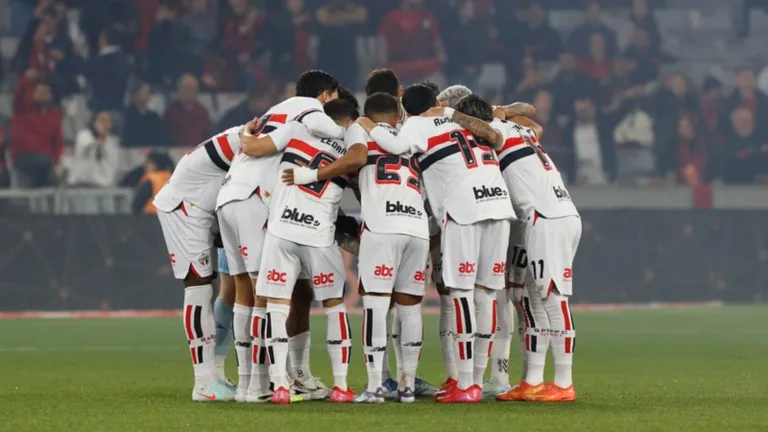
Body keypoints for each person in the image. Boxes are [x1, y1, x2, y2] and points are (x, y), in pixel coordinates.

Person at [355, 84, 516, 403]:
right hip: (498, 203)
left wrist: (368, 123)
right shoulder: (460, 120)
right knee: (487, 293)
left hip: (463, 209)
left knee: (461, 294)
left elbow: (395, 145)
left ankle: (466, 382)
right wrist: (451, 112)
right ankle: (479, 381)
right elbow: (496, 137)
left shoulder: (417, 123)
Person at [286, 93, 429, 404]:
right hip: (417, 227)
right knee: (410, 307)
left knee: (376, 306)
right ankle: (407, 386)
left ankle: (376, 386)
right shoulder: (411, 139)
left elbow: (350, 167)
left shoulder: (360, 138)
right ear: (396, 115)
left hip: (382, 226)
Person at [217, 69, 345, 403]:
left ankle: (248, 384)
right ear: (327, 95)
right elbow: (339, 131)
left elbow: (251, 144)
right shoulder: (313, 112)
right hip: (258, 199)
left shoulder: (278, 109)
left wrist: (247, 136)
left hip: (229, 195)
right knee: (266, 293)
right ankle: (264, 385)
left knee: (245, 288)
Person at [464, 98, 580, 403]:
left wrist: (452, 114)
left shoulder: (497, 131)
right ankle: (533, 381)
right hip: (552, 213)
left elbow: (491, 127)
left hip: (547, 216)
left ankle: (564, 382)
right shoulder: (522, 130)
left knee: (553, 298)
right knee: (534, 299)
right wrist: (504, 111)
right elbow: (531, 115)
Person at [250, 99, 359, 404]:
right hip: (318, 235)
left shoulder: (296, 133)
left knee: (276, 305)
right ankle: (340, 386)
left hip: (281, 230)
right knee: (334, 306)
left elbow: (256, 149)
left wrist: (246, 136)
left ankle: (280, 385)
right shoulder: (351, 153)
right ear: (349, 121)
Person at [152, 89, 250, 403]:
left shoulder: (250, 140)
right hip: (184, 207)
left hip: (206, 209)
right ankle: (203, 383)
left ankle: (216, 376)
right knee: (198, 288)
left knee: (215, 287)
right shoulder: (242, 139)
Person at [9, 74, 63, 188]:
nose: (43, 95)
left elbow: (57, 141)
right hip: (24, 156)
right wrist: (26, 79)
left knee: (52, 166)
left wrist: (57, 161)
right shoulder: (22, 110)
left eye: (46, 92)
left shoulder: (54, 115)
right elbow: (17, 96)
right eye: (39, 92)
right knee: (46, 165)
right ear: (33, 94)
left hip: (45, 160)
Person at [68, 111, 119, 188]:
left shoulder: (112, 142)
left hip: (102, 185)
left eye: (109, 121)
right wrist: (100, 142)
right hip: (79, 184)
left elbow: (112, 166)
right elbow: (89, 144)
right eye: (102, 121)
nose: (106, 125)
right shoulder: (84, 135)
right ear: (94, 123)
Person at [164, 74, 212, 147]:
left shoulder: (202, 111)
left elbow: (207, 134)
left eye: (193, 89)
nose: (190, 92)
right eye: (186, 89)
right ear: (179, 91)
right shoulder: (171, 112)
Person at [122, 82, 172, 147]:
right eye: (144, 92)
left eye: (148, 93)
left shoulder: (153, 116)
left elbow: (162, 136)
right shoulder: (128, 116)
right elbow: (129, 138)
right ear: (135, 95)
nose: (147, 95)